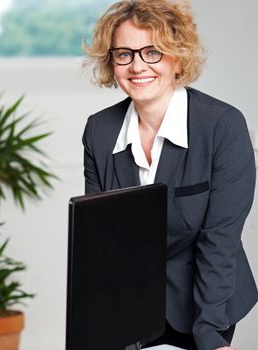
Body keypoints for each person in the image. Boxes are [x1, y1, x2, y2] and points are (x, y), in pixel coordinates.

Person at [82, 0, 257, 349]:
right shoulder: (99, 131)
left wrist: (209, 334)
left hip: (206, 302)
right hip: (132, 307)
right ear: (111, 60)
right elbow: (104, 245)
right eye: (124, 54)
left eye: (152, 52)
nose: (137, 66)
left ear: (177, 56)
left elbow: (218, 244)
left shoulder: (222, 126)